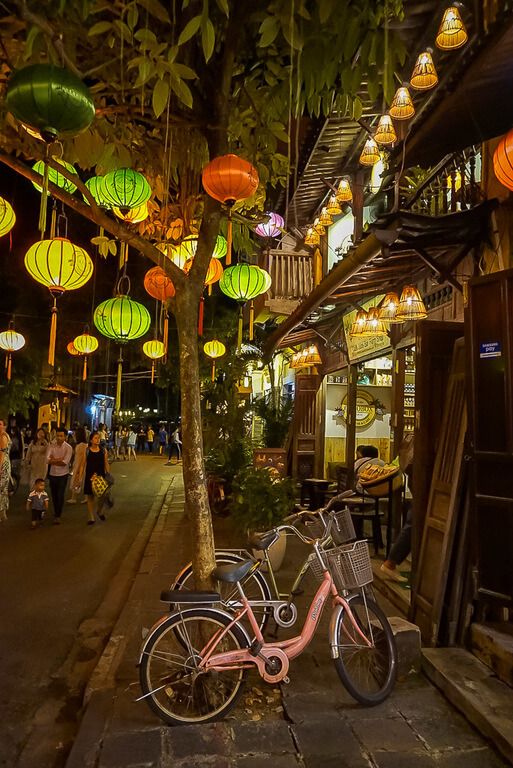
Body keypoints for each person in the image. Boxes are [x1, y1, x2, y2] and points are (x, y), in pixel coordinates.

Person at [380, 434, 414, 583]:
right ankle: (391, 562)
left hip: (414, 480)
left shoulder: (412, 440)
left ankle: (391, 562)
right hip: (422, 480)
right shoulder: (422, 437)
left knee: (414, 522)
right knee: (414, 522)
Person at [73, 430, 111, 526]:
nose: (98, 440)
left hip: (100, 475)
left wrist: (108, 474)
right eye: (95, 438)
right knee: (90, 496)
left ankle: (99, 511)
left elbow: (106, 463)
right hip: (90, 476)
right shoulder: (87, 451)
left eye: (98, 438)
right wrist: (80, 477)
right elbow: (82, 465)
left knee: (102, 495)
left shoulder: (103, 450)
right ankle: (91, 517)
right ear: (91, 440)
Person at [46, 427, 73, 524]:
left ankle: (58, 515)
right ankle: (56, 511)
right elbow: (47, 460)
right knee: (54, 495)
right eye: (57, 435)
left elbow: (65, 462)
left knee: (60, 494)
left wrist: (53, 460)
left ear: (65, 437)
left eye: (61, 436)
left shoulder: (68, 448)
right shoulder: (51, 446)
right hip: (53, 474)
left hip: (63, 474)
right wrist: (58, 460)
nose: (59, 438)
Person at [68, 427, 88, 504]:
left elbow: (83, 457)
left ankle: (74, 498)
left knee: (77, 480)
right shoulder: (82, 444)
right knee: (82, 481)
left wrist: (80, 468)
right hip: (79, 464)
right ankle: (80, 497)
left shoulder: (82, 445)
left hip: (80, 465)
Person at [0, 419, 11, 522]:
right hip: (5, 464)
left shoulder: (3, 437)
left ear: (4, 426)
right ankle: (3, 513)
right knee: (3, 489)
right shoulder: (4, 435)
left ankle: (2, 513)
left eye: (0, 424)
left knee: (2, 489)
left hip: (3, 464)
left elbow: (2, 454)